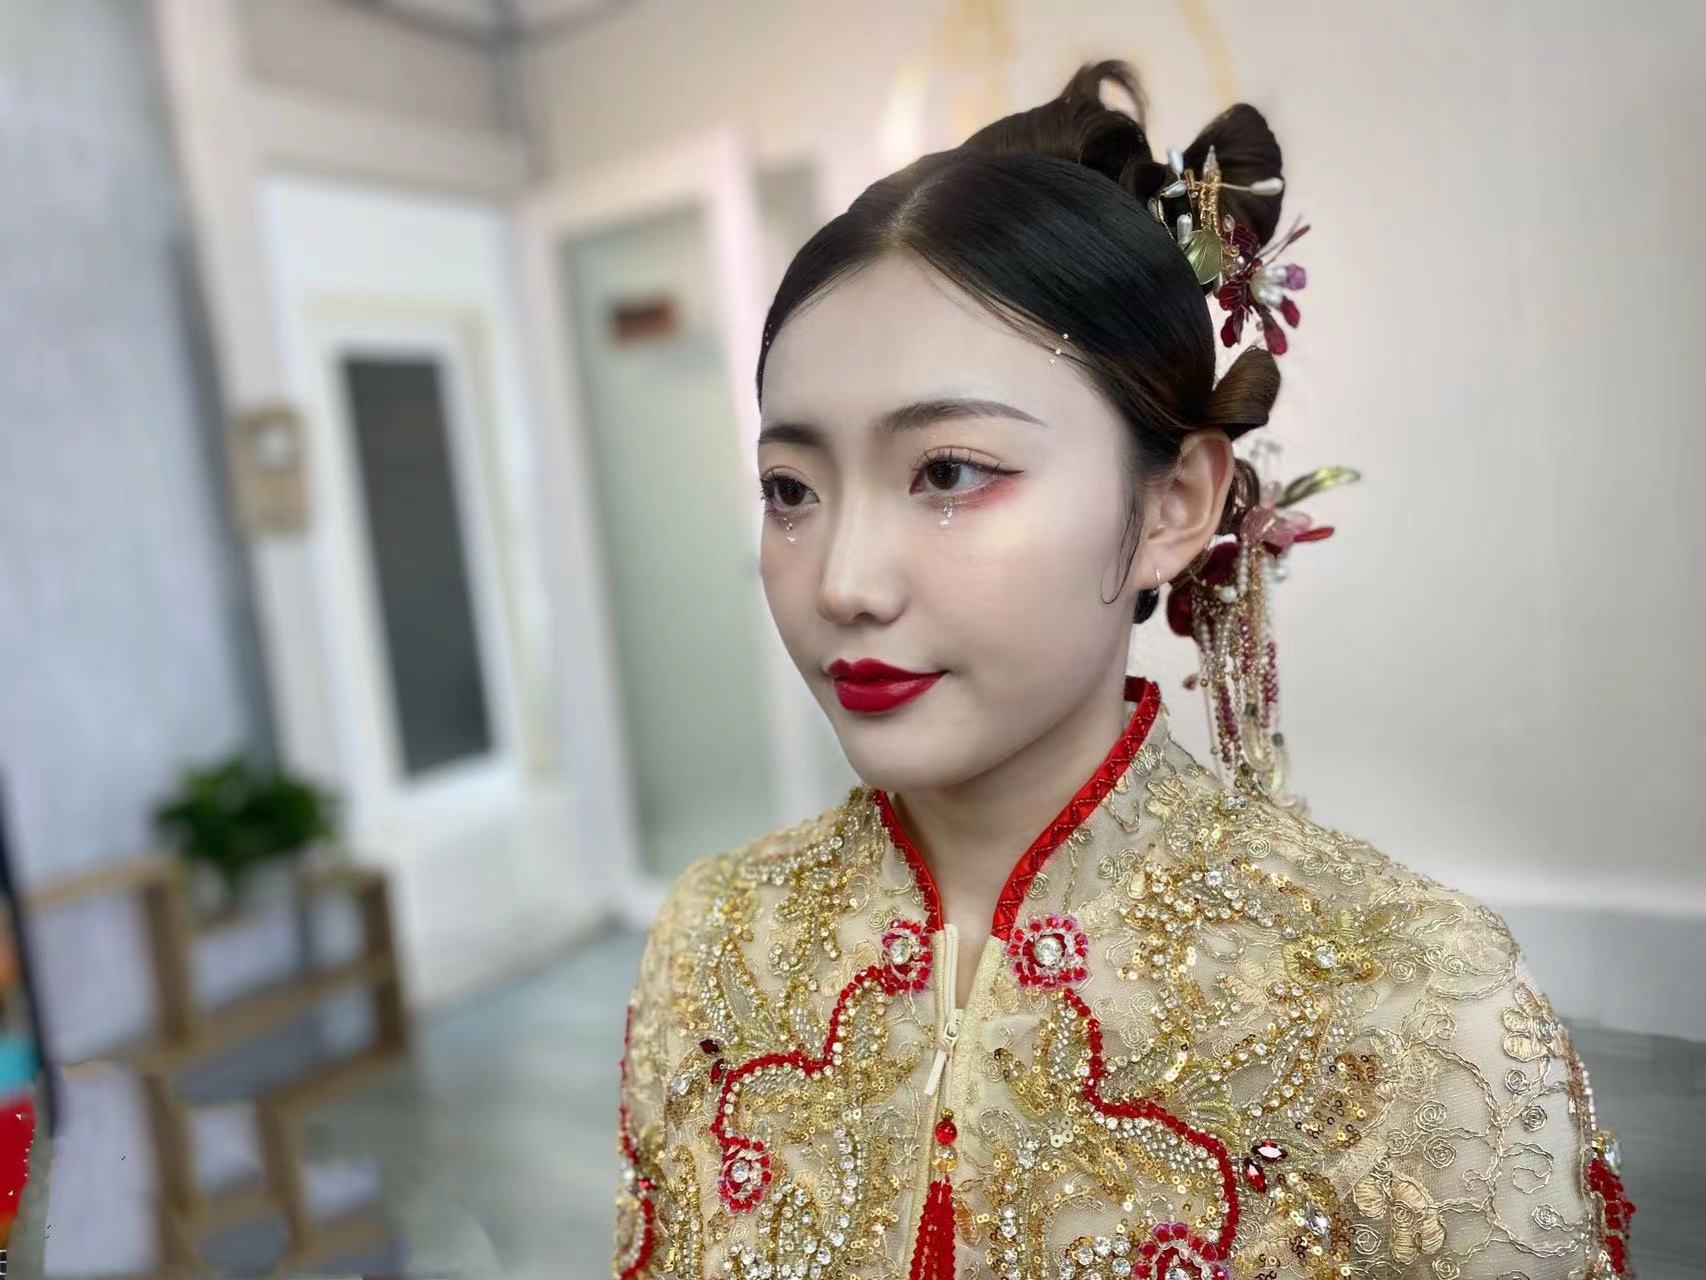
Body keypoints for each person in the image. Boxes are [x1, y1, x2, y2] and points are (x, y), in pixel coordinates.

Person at [610, 60, 1633, 1280]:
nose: (843, 581)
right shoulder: (712, 938)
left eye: (947, 471)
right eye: (790, 488)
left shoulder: (1411, 999)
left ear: (1171, 504)